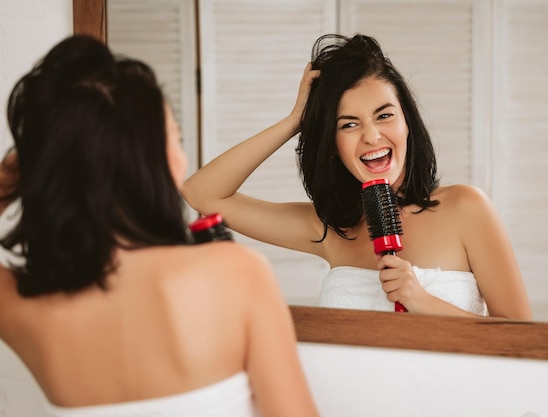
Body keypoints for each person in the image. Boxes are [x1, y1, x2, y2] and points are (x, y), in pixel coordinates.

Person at [0, 35, 320, 417]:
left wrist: (23, 167)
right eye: (177, 139)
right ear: (155, 161)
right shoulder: (236, 274)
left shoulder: (22, 307)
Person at [182, 33, 533, 320]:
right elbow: (202, 194)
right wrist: (296, 121)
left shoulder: (466, 208)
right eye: (348, 124)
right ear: (332, 145)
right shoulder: (329, 229)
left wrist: (425, 304)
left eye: (384, 116)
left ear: (406, 122)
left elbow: (524, 339)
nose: (371, 136)